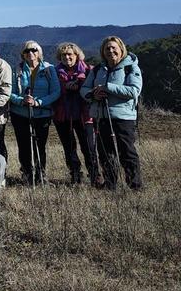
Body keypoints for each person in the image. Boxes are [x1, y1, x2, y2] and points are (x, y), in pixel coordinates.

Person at [81, 36, 143, 190]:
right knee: (105, 153)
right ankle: (110, 185)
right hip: (100, 116)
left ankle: (135, 186)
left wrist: (108, 87)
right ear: (103, 51)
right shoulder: (97, 69)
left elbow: (134, 90)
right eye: (107, 48)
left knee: (127, 151)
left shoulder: (131, 67)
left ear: (121, 49)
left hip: (123, 117)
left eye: (113, 47)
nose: (110, 51)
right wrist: (93, 94)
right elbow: (84, 89)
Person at [10, 41, 60, 185]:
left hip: (42, 114)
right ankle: (27, 175)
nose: (30, 53)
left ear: (39, 52)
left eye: (34, 50)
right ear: (23, 54)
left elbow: (56, 92)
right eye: (27, 51)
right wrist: (21, 100)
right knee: (24, 146)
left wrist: (39, 102)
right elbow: (10, 93)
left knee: (40, 146)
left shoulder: (49, 69)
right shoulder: (17, 70)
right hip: (20, 114)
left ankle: (40, 175)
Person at [53, 42, 98, 186]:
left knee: (88, 147)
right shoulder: (54, 72)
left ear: (77, 55)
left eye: (70, 54)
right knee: (69, 147)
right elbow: (54, 90)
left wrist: (79, 87)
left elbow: (92, 90)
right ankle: (75, 175)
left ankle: (95, 175)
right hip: (62, 115)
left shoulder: (89, 70)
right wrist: (65, 88)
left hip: (85, 115)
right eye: (63, 55)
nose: (67, 57)